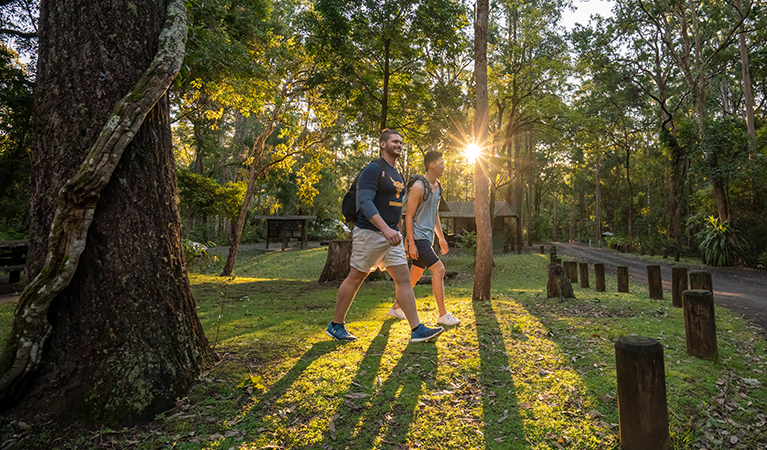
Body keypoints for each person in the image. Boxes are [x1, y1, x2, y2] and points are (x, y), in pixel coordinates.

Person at [326, 129, 444, 343]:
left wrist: (397, 229)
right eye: (394, 141)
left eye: (401, 142)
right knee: (355, 278)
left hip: (392, 237)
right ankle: (336, 325)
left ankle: (416, 329)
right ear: (382, 144)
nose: (399, 144)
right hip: (370, 234)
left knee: (403, 281)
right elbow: (365, 202)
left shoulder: (398, 174)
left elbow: (397, 207)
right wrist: (386, 229)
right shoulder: (374, 169)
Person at [387, 151, 460, 326]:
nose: (444, 166)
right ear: (432, 165)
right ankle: (442, 314)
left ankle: (396, 307)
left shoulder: (437, 187)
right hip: (418, 238)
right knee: (439, 270)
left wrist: (441, 237)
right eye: (441, 163)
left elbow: (434, 213)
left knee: (416, 274)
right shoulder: (419, 187)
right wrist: (411, 243)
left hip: (427, 238)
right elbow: (409, 216)